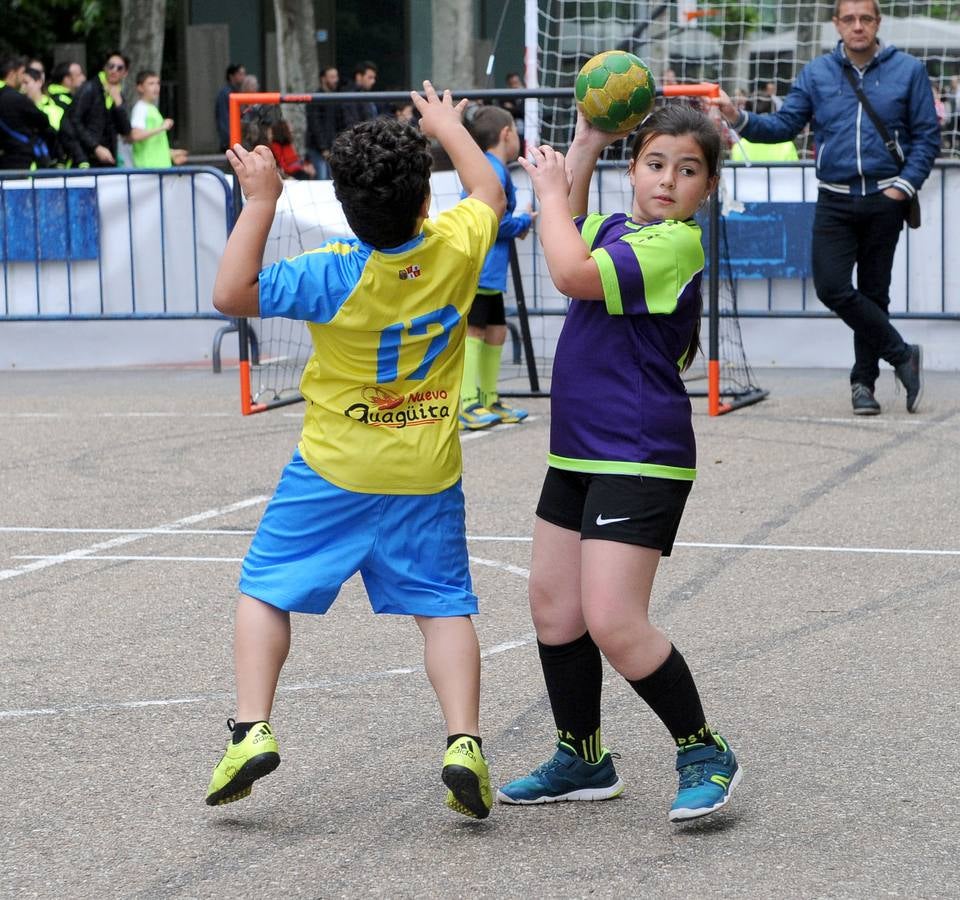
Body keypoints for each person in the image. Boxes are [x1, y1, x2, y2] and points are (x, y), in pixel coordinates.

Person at [203, 81, 506, 820]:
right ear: (425, 200)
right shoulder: (457, 244)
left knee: (265, 587)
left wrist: (261, 202)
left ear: (342, 205)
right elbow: (489, 189)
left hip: (335, 466)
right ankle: (463, 740)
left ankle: (251, 728)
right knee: (441, 607)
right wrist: (448, 126)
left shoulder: (331, 272)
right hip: (426, 469)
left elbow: (229, 293)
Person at [496, 103, 741, 824]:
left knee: (613, 619)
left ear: (707, 188)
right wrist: (587, 139)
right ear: (633, 169)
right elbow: (572, 221)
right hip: (577, 449)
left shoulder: (674, 245)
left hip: (641, 451)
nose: (669, 180)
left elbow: (568, 272)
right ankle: (582, 757)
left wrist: (543, 191)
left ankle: (704, 750)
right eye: (656, 163)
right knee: (554, 609)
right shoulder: (614, 227)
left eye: (688, 170)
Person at [715, 0, 939, 416]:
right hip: (834, 198)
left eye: (865, 19)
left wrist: (903, 188)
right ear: (837, 24)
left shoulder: (908, 70)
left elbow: (927, 137)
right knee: (832, 287)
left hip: (885, 198)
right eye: (849, 19)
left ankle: (862, 385)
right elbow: (783, 126)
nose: (858, 26)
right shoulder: (817, 73)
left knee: (874, 293)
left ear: (877, 22)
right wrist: (738, 117)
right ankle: (902, 353)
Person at [458, 105, 535, 429]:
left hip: (490, 270)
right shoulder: (490, 170)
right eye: (515, 131)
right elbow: (487, 220)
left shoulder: (491, 168)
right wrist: (521, 222)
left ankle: (488, 397)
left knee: (496, 330)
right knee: (474, 330)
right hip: (479, 267)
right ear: (506, 134)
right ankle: (466, 403)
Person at [66, 50, 132, 167]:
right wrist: (95, 147)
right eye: (111, 66)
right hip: (86, 158)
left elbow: (125, 130)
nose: (114, 71)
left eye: (119, 68)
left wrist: (119, 105)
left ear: (125, 73)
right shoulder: (89, 88)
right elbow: (74, 120)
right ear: (105, 68)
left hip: (108, 159)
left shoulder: (118, 94)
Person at [0, 56, 53, 170]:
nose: (23, 77)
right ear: (12, 73)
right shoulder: (16, 99)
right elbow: (43, 121)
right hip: (22, 162)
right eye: (22, 73)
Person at [128, 70, 188, 168]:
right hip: (149, 170)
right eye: (151, 83)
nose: (156, 87)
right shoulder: (140, 108)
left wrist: (171, 154)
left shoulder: (151, 108)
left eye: (158, 83)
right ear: (140, 87)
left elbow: (151, 144)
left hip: (157, 169)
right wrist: (161, 127)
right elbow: (135, 135)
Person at [305, 65, 341, 179]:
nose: (336, 80)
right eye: (332, 77)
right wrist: (323, 147)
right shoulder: (316, 99)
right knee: (321, 179)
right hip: (318, 149)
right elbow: (315, 124)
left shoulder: (336, 98)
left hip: (332, 148)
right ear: (323, 79)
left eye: (336, 76)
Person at [339, 61, 379, 131]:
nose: (373, 81)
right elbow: (352, 123)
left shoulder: (365, 93)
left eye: (374, 78)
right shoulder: (350, 96)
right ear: (359, 77)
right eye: (370, 77)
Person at [215, 63, 246, 152]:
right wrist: (228, 140)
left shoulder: (237, 92)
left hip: (237, 140)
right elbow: (224, 119)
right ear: (232, 76)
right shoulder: (225, 93)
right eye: (240, 74)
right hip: (231, 141)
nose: (243, 77)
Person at [500, 71, 525, 141]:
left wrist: (513, 108)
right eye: (513, 84)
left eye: (517, 82)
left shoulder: (526, 95)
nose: (516, 86)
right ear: (509, 86)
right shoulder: (505, 96)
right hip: (511, 123)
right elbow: (505, 111)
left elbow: (522, 112)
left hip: (527, 125)